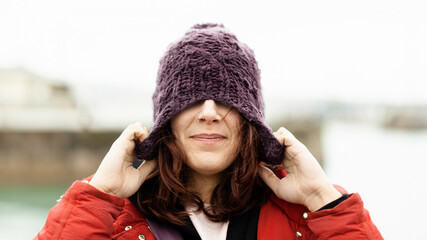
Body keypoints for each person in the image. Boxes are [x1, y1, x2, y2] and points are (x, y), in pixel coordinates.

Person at [35, 23, 383, 240]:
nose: (209, 113)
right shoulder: (110, 218)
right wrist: (102, 193)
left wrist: (322, 199)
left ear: (250, 120)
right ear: (166, 118)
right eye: (191, 100)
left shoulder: (309, 216)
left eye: (225, 100)